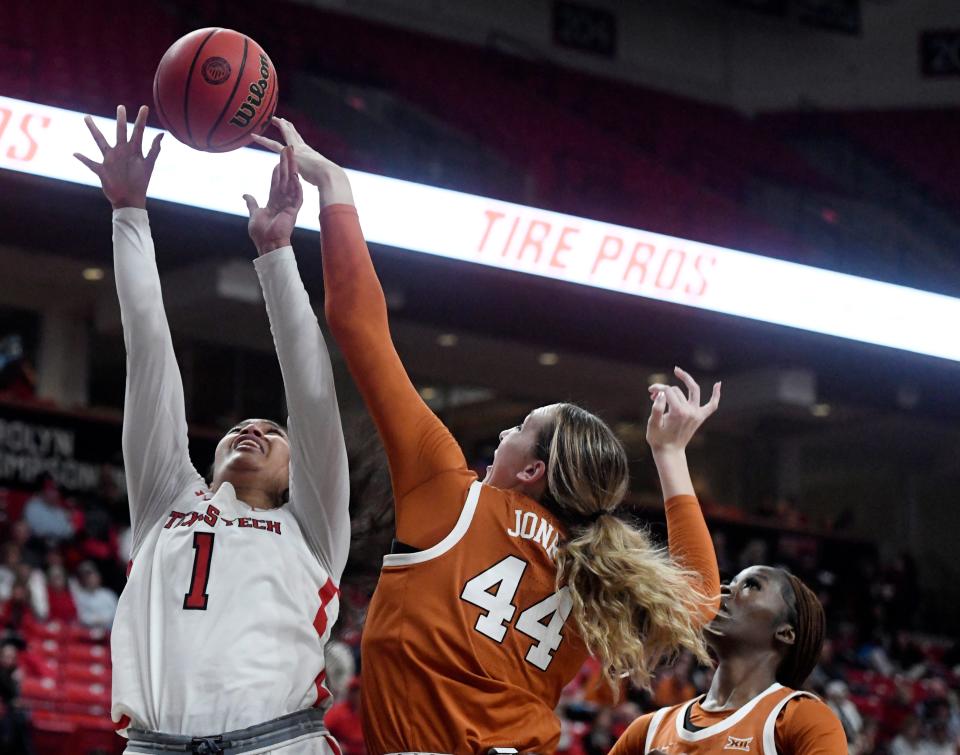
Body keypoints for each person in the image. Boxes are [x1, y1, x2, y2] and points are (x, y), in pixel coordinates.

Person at [256, 119, 720, 754]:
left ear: (532, 471)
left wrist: (334, 185)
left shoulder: (452, 492)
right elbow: (697, 602)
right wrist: (670, 456)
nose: (504, 430)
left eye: (521, 427)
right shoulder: (596, 570)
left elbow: (359, 327)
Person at [75, 106, 350, 752]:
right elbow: (149, 351)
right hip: (154, 743)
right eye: (240, 428)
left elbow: (312, 397)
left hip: (276, 742)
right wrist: (129, 211)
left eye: (271, 433)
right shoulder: (167, 498)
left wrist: (278, 253)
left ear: (295, 471)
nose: (253, 430)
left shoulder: (310, 530)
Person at [609, 565, 847, 755]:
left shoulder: (802, 719)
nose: (723, 588)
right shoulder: (648, 729)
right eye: (730, 582)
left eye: (751, 585)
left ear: (786, 632)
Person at [70, 561, 118, 629]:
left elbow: (116, 612)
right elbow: (82, 616)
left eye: (92, 577)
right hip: (90, 630)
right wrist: (96, 620)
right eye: (87, 578)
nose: (90, 580)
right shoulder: (80, 596)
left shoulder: (108, 594)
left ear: (98, 578)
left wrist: (103, 619)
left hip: (110, 628)